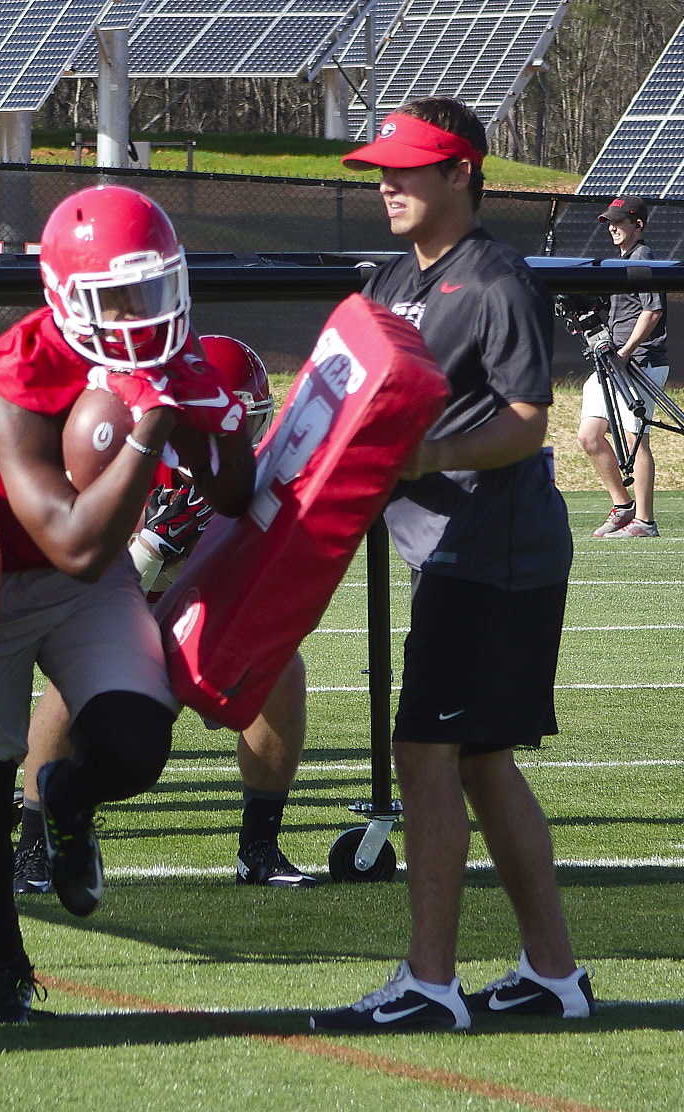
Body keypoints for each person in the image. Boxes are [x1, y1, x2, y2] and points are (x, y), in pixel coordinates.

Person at [311, 98, 592, 1033]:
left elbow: (524, 422)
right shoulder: (395, 276)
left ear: (461, 171)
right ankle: (554, 974)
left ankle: (430, 985)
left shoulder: (499, 279)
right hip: (452, 552)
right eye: (382, 168)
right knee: (479, 761)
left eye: (407, 166)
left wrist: (427, 458)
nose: (386, 182)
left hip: (492, 554)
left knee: (426, 753)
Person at [0, 183, 255, 1024]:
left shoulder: (168, 349)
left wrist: (222, 425)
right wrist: (153, 421)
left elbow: (233, 495)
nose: (141, 310)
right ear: (63, 295)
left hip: (89, 585)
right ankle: (4, 970)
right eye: (116, 294)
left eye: (154, 286)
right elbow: (72, 538)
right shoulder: (14, 373)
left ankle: (69, 798)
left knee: (134, 745)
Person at [13, 336, 319, 895]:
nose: (241, 431)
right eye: (231, 418)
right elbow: (94, 578)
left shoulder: (230, 467)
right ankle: (33, 849)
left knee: (282, 665)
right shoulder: (113, 452)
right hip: (117, 615)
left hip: (199, 613)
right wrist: (152, 546)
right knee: (69, 688)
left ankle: (260, 846)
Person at [577, 196, 669, 539]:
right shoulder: (621, 258)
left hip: (641, 361)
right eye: (609, 222)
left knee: (634, 439)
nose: (613, 227)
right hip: (612, 361)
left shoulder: (642, 255)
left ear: (638, 225)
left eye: (619, 221)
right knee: (589, 436)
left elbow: (652, 310)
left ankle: (645, 522)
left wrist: (627, 351)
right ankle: (623, 505)